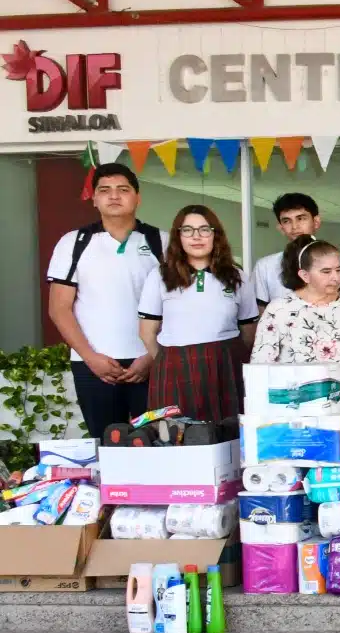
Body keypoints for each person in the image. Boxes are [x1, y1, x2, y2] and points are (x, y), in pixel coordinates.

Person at [46, 164, 166, 441]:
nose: (114, 196)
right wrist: (91, 357)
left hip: (151, 363)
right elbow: (59, 308)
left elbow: (176, 307)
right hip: (94, 366)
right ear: (94, 198)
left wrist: (152, 356)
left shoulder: (161, 241)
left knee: (159, 443)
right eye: (105, 190)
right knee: (106, 444)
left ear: (138, 197)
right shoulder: (73, 242)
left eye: (123, 190)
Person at [252, 236, 340, 458]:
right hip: (294, 417)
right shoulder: (280, 310)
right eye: (325, 272)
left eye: (338, 270)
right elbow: (261, 365)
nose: (335, 277)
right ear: (304, 275)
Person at [137, 205, 256, 424]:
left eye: (204, 229)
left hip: (225, 366)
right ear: (178, 236)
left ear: (215, 235)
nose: (196, 237)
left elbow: (248, 332)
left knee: (227, 435)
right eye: (188, 230)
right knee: (174, 435)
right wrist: (169, 361)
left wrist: (228, 358)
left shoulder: (236, 276)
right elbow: (147, 332)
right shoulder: (160, 275)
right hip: (174, 366)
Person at [252, 193, 320, 308]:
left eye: (301, 218)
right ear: (280, 228)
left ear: (316, 222)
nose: (294, 226)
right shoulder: (265, 266)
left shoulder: (339, 263)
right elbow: (260, 312)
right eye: (287, 221)